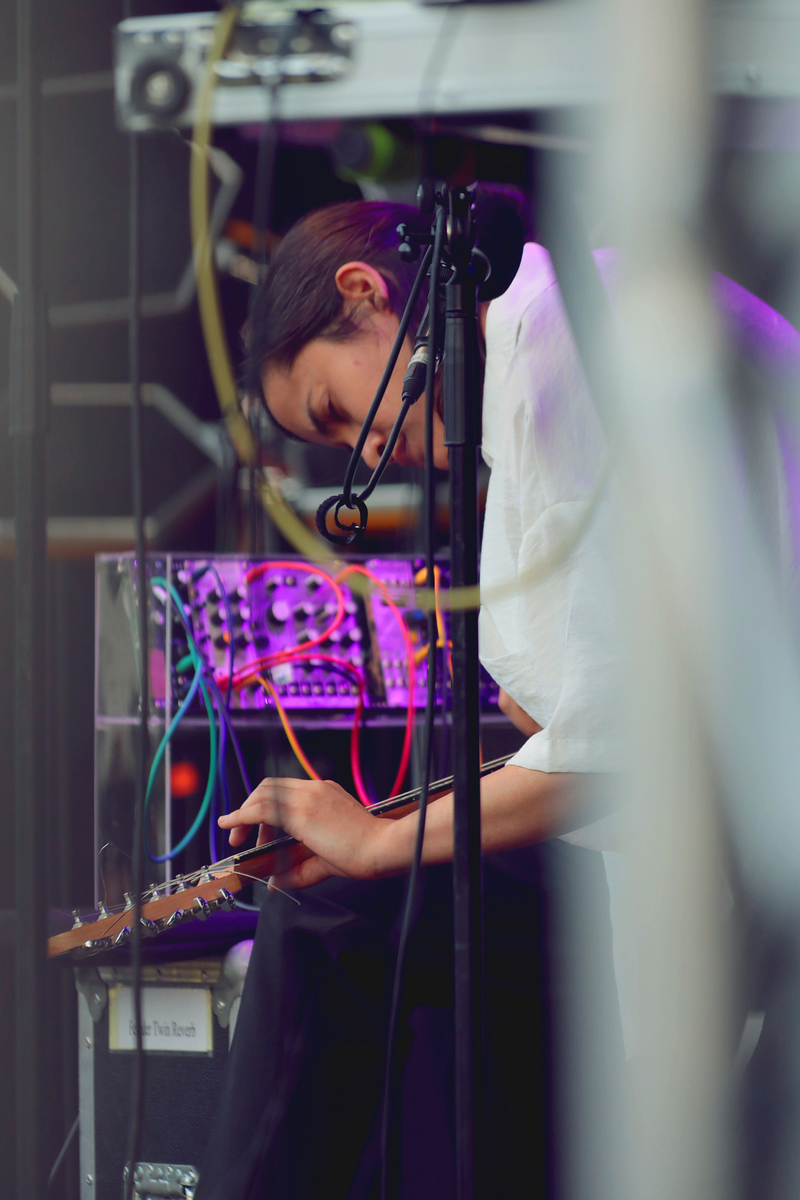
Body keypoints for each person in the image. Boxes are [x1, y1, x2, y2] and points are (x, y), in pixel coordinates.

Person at [194, 198, 630, 1200]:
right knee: (449, 930)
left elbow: (617, 749)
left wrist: (378, 842)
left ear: (364, 294)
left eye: (334, 410)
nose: (365, 447)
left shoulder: (554, 356)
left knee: (333, 910)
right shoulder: (561, 326)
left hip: (729, 858)